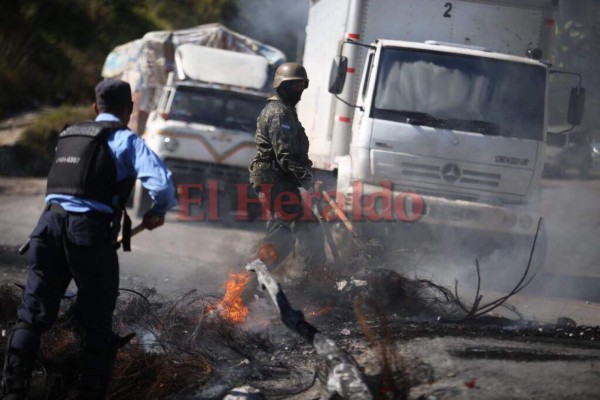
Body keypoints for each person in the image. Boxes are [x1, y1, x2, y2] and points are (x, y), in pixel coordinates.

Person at [0, 79, 177, 400]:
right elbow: (162, 185)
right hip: (88, 233)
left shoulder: (68, 137)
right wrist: (158, 210)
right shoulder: (125, 140)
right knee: (97, 321)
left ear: (95, 108)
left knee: (32, 315)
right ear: (130, 110)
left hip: (47, 228)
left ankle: (13, 389)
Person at [249, 62, 325, 272]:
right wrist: (309, 181)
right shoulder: (278, 114)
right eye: (293, 85)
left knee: (287, 234)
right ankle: (249, 283)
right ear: (281, 86)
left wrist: (311, 174)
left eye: (301, 85)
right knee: (298, 231)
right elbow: (286, 156)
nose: (298, 90)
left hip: (280, 181)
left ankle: (314, 279)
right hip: (273, 180)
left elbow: (297, 154)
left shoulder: (286, 112)